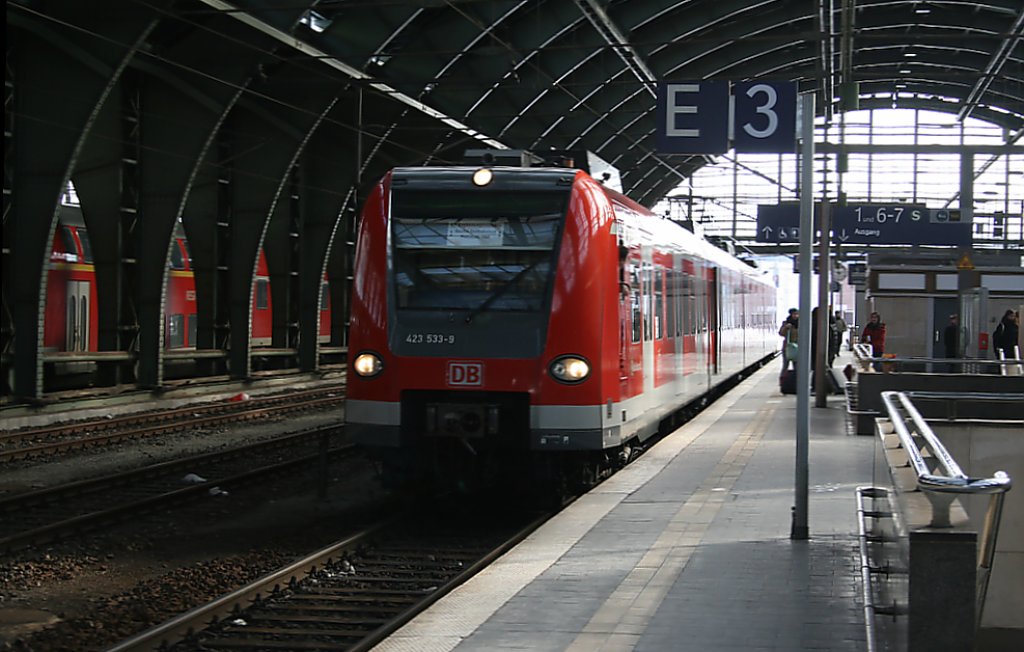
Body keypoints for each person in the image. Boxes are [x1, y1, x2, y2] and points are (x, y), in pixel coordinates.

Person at [779, 308, 799, 376]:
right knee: (785, 366)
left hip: (797, 348)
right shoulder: (786, 323)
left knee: (796, 366)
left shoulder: (801, 324)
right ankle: (782, 380)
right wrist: (786, 328)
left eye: (797, 314)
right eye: (794, 314)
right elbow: (781, 333)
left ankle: (796, 380)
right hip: (787, 348)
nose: (795, 316)